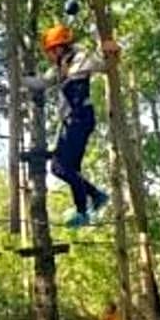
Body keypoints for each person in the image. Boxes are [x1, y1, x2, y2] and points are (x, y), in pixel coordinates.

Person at [23, 24, 120, 227]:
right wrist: (18, 78)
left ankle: (85, 210)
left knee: (59, 167)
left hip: (79, 119)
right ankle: (95, 197)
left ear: (58, 48)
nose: (48, 56)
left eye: (49, 52)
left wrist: (112, 48)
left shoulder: (81, 58)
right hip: (73, 121)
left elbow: (105, 64)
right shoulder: (60, 68)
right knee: (69, 168)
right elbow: (40, 83)